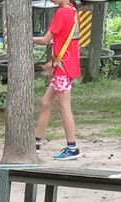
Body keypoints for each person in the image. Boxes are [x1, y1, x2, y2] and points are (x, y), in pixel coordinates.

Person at [32, 0, 84, 160]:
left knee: (64, 106)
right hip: (64, 64)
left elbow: (45, 40)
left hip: (63, 67)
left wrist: (25, 38)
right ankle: (36, 143)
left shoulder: (63, 12)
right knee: (45, 102)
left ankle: (72, 147)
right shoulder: (72, 11)